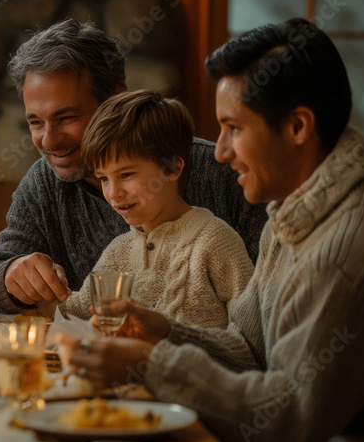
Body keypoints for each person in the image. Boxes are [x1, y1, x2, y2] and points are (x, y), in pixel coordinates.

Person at [58, 18, 364, 442]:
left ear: (298, 127)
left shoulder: (346, 248)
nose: (220, 151)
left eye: (234, 128)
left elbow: (289, 425)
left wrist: (149, 365)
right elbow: (248, 348)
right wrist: (161, 330)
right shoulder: (289, 216)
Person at [0, 19, 268, 316]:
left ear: (116, 95)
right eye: (35, 122)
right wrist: (10, 275)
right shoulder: (44, 185)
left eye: (66, 117)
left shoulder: (220, 172)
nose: (49, 140)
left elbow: (267, 309)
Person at [56, 89, 253, 328]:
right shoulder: (117, 252)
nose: (113, 193)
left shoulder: (215, 241)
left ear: (171, 168)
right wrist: (46, 291)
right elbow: (78, 312)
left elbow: (252, 335)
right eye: (104, 178)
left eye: (126, 174)